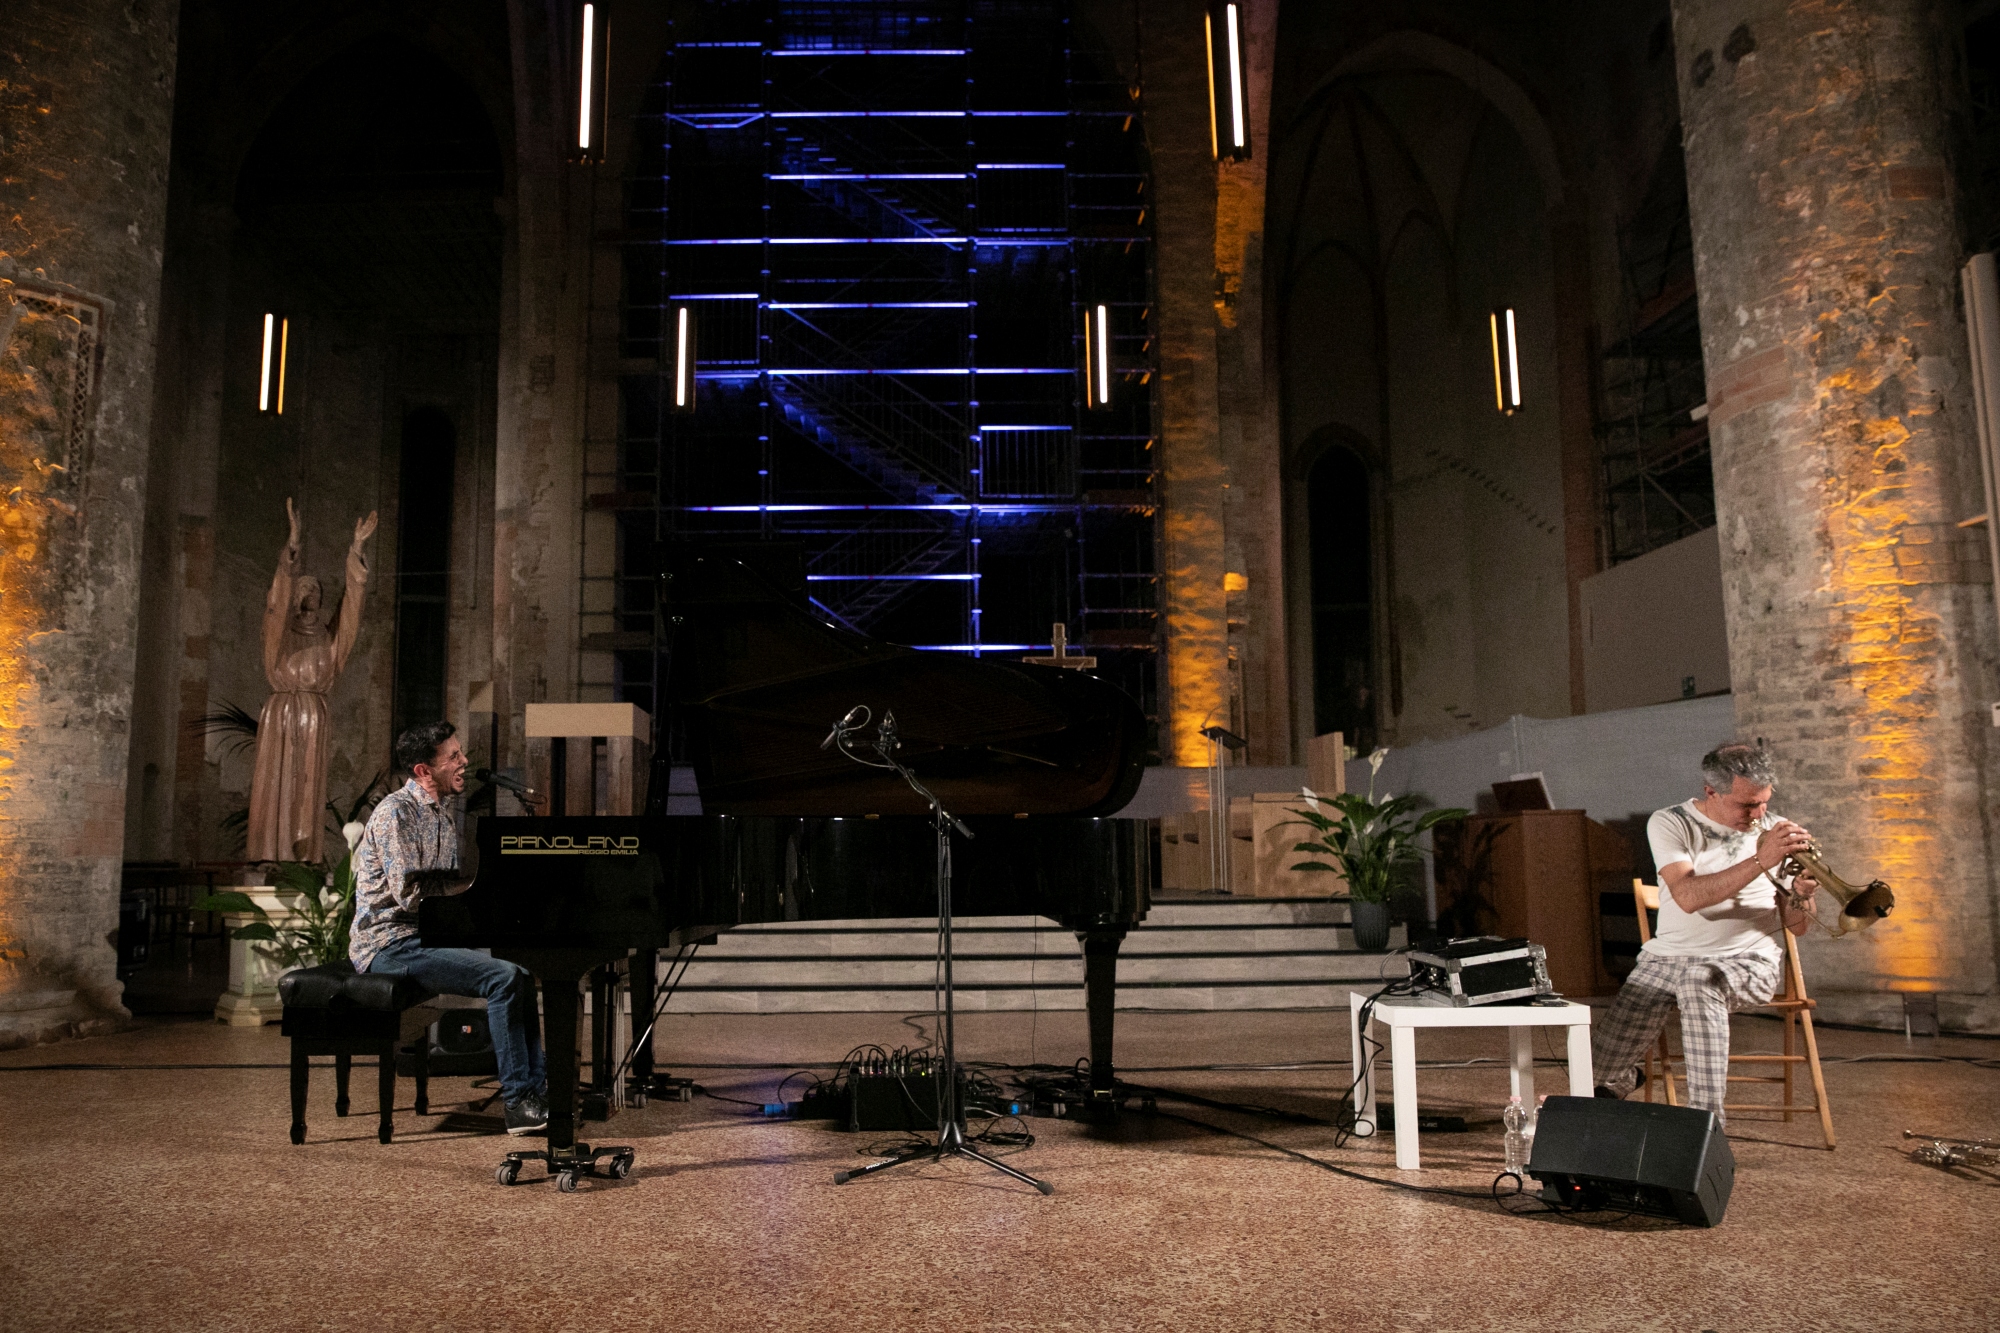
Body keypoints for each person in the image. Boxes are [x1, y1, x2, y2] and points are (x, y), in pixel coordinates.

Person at [1590, 742, 1819, 1120]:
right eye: (1747, 805)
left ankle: (1704, 1123)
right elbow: (1689, 896)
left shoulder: (1777, 835)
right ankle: (1623, 1079)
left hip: (1748, 960)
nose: (1759, 814)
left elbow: (1798, 926)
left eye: (1764, 802)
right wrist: (1762, 859)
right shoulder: (1671, 822)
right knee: (1595, 1074)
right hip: (1668, 957)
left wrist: (1801, 894)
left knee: (1700, 981)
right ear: (1711, 791)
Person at [350, 720, 548, 1135]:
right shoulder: (395, 814)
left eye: (461, 754)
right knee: (503, 978)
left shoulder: (440, 811)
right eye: (454, 757)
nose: (465, 762)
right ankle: (517, 1105)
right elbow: (409, 894)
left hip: (425, 935)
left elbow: (443, 883)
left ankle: (538, 1091)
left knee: (524, 973)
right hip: (389, 943)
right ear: (424, 770)